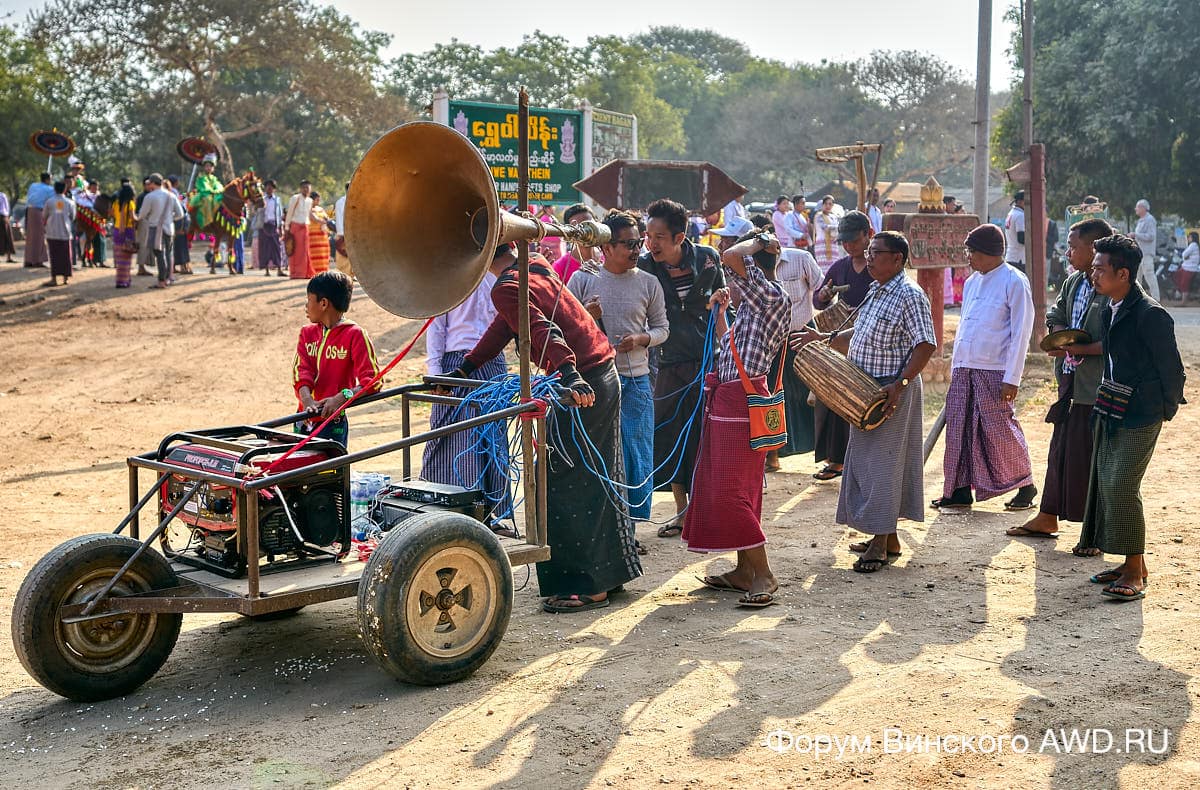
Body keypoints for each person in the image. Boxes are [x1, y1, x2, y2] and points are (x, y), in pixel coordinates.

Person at [452, 252, 643, 614]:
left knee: (565, 478)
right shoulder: (533, 263)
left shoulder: (507, 285)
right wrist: (468, 367)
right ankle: (607, 575)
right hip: (600, 373)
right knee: (596, 474)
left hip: (580, 383)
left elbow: (541, 329)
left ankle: (586, 585)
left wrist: (569, 372)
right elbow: (512, 323)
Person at [792, 230, 937, 571]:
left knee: (883, 466)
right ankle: (887, 536)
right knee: (866, 464)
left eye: (876, 253)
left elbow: (926, 344)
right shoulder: (876, 289)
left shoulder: (909, 295)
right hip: (863, 391)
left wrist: (899, 385)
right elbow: (860, 332)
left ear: (897, 259)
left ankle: (879, 545)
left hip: (890, 392)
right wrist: (824, 338)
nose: (868, 259)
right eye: (869, 253)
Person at [1078, 234, 1185, 601]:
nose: (1093, 274)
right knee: (1108, 483)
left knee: (1123, 484)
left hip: (1142, 413)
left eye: (1100, 269)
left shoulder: (1151, 314)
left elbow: (1173, 371)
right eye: (1093, 267)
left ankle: (1136, 569)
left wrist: (1162, 409)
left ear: (1123, 273)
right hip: (1111, 406)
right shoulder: (1110, 305)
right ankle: (1126, 563)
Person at [686, 230, 790, 607]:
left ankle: (763, 573)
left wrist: (760, 240)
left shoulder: (773, 296)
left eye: (737, 276)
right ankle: (746, 570)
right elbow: (735, 352)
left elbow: (731, 253)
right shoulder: (751, 307)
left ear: (754, 272)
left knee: (731, 491)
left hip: (741, 407)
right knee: (734, 489)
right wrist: (720, 317)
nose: (731, 281)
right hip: (727, 403)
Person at [1013, 217, 1113, 544]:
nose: (1068, 252)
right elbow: (1056, 315)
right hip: (1069, 381)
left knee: (1090, 456)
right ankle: (1047, 516)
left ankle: (1094, 532)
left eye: (1073, 247)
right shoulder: (1073, 283)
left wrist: (1080, 347)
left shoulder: (1115, 287)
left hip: (1096, 386)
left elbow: (1117, 339)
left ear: (1095, 249)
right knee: (1060, 449)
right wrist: (1058, 338)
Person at [568, 209, 669, 523]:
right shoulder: (583, 279)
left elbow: (662, 329)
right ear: (606, 248)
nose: (636, 250)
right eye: (628, 244)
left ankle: (633, 526)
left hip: (636, 379)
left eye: (638, 243)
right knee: (598, 454)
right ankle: (605, 525)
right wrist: (586, 315)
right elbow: (562, 330)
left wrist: (641, 338)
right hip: (595, 384)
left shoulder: (649, 283)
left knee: (636, 453)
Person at [933, 224, 1038, 512]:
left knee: (998, 428)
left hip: (994, 371)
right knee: (959, 429)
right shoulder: (971, 283)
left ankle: (1025, 485)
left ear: (990, 253)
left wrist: (1012, 377)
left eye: (972, 252)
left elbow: (1021, 333)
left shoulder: (1014, 281)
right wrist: (956, 367)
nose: (969, 258)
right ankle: (958, 490)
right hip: (965, 367)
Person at [638, 198, 725, 536]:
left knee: (708, 434)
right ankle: (682, 510)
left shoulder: (707, 259)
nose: (651, 243)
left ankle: (708, 508)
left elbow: (720, 307)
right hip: (666, 363)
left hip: (707, 361)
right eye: (648, 235)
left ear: (679, 238)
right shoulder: (645, 268)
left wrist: (727, 350)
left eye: (659, 236)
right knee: (671, 432)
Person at [422, 244, 513, 534]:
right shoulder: (451, 276)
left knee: (487, 441)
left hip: (479, 363)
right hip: (463, 365)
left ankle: (489, 517)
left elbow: (437, 329)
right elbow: (436, 328)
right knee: (458, 441)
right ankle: (455, 514)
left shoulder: (497, 276)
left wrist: (438, 374)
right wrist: (437, 375)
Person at [809, 209, 875, 480]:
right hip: (841, 342)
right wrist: (824, 295)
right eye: (844, 241)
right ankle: (836, 460)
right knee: (833, 397)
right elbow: (818, 301)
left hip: (872, 343)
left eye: (854, 240)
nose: (849, 246)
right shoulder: (840, 267)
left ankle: (863, 460)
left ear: (868, 235)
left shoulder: (878, 265)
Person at [293, 270, 382, 448]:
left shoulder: (355, 335)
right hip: (303, 418)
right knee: (299, 469)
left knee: (331, 472)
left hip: (333, 422)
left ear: (323, 303)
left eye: (309, 300)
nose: (306, 306)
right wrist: (307, 400)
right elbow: (301, 371)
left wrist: (342, 397)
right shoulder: (307, 333)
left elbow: (372, 381)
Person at [770, 239, 824, 464]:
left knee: (810, 393)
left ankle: (820, 449)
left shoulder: (801, 258)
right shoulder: (750, 265)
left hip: (803, 335)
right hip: (772, 341)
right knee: (777, 394)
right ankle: (775, 453)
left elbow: (820, 291)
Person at [139, 173, 185, 288]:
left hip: (155, 228)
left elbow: (142, 214)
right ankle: (168, 278)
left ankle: (161, 281)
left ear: (153, 183)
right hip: (169, 228)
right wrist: (169, 218)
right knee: (168, 254)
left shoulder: (150, 197)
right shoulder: (171, 195)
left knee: (159, 254)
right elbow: (181, 214)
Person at [552, 203, 599, 283]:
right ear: (569, 233)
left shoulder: (609, 256)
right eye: (578, 228)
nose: (585, 232)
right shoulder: (561, 267)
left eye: (589, 224)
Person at [41, 181, 75, 287]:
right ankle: (65, 278)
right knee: (66, 256)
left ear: (54, 189)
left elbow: (44, 216)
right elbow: (73, 217)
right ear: (65, 190)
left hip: (52, 232)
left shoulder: (49, 202)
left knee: (54, 256)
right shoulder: (70, 202)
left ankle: (54, 279)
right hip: (65, 232)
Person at [23, 172, 53, 268]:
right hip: (39, 210)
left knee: (30, 236)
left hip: (29, 210)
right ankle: (37, 261)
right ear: (48, 179)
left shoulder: (33, 185)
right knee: (39, 236)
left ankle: (28, 260)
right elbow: (51, 201)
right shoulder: (50, 189)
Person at [1132, 199, 1160, 300]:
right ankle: (1137, 298)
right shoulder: (1140, 220)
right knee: (1137, 277)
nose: (1136, 209)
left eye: (1137, 207)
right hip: (1138, 253)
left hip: (1146, 253)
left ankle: (1156, 299)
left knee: (1149, 275)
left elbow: (1151, 236)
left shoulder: (1150, 219)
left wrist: (1136, 235)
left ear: (1143, 208)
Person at [111, 181, 138, 288]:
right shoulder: (130, 204)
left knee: (120, 259)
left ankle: (120, 280)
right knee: (126, 258)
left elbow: (112, 213)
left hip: (117, 231)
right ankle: (125, 280)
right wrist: (140, 218)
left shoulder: (116, 203)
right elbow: (133, 218)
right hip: (128, 232)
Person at [257, 179, 286, 276]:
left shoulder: (277, 200)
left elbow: (280, 214)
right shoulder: (261, 199)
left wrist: (281, 227)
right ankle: (266, 270)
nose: (269, 189)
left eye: (271, 187)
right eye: (267, 187)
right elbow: (256, 212)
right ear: (265, 188)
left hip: (274, 226)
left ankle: (279, 269)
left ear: (274, 189)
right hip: (264, 226)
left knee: (276, 248)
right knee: (265, 248)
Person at [286, 180, 314, 279]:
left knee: (304, 251)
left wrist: (322, 221)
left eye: (308, 187)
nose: (306, 189)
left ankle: (305, 272)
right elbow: (289, 213)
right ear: (300, 188)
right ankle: (295, 273)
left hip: (305, 227)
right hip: (295, 226)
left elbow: (310, 214)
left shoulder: (310, 200)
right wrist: (286, 227)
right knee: (295, 250)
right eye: (304, 187)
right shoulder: (295, 198)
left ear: (310, 189)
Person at [189, 153, 223, 232]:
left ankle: (217, 220)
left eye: (210, 166)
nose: (208, 168)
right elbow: (204, 187)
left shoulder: (214, 178)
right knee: (208, 199)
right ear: (204, 167)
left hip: (213, 195)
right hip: (202, 195)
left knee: (220, 199)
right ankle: (206, 222)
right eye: (207, 166)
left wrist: (217, 191)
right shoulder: (201, 176)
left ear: (213, 168)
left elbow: (219, 186)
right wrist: (212, 191)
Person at [812, 195, 843, 271]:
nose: (828, 206)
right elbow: (825, 227)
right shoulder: (819, 216)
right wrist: (837, 227)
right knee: (823, 268)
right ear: (822, 205)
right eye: (826, 204)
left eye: (830, 204)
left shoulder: (833, 217)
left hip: (833, 244)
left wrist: (836, 227)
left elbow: (837, 229)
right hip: (822, 245)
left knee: (834, 266)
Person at [1004, 190, 1027, 275]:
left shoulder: (1011, 213)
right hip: (1019, 259)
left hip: (1011, 256)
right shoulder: (1020, 215)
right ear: (1020, 201)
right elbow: (1021, 239)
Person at [307, 191, 331, 275]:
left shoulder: (320, 209)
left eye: (318, 200)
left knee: (324, 253)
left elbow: (327, 217)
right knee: (314, 254)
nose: (318, 201)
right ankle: (314, 271)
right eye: (317, 200)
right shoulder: (308, 209)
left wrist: (327, 220)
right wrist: (324, 222)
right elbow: (314, 218)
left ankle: (323, 271)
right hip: (313, 236)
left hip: (323, 235)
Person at [333, 183, 350, 278]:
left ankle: (351, 274)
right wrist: (340, 233)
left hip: (353, 232)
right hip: (343, 232)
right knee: (343, 253)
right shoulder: (340, 202)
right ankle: (343, 274)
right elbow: (339, 218)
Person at [1177, 231, 1200, 303]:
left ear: (1193, 238)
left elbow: (1184, 254)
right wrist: (1186, 257)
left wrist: (1186, 257)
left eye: (1189, 237)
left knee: (1184, 283)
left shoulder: (1193, 245)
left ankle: (1183, 301)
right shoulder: (1195, 245)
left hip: (1189, 268)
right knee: (1179, 278)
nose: (1188, 238)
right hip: (1188, 267)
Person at [0, 188, 16, 262]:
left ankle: (8, 257)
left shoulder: (2, 195)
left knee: (7, 236)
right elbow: (7, 208)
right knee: (7, 236)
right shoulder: (3, 195)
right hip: (3, 217)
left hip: (3, 216)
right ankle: (8, 257)